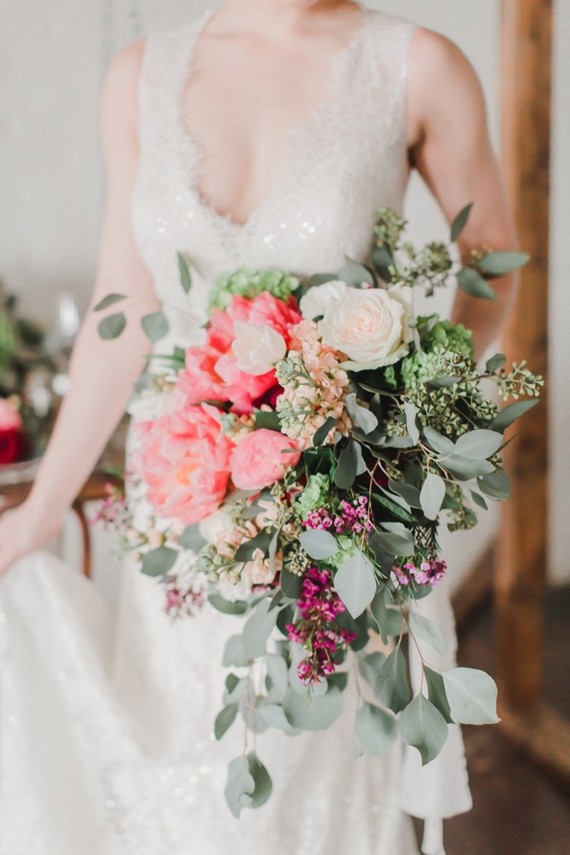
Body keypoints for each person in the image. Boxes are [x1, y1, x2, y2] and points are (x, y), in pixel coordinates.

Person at [0, 1, 517, 853]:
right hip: (182, 504)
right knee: (189, 776)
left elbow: (494, 250)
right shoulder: (140, 75)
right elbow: (121, 305)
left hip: (331, 508)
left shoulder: (415, 66)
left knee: (306, 784)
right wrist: (42, 507)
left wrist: (407, 408)